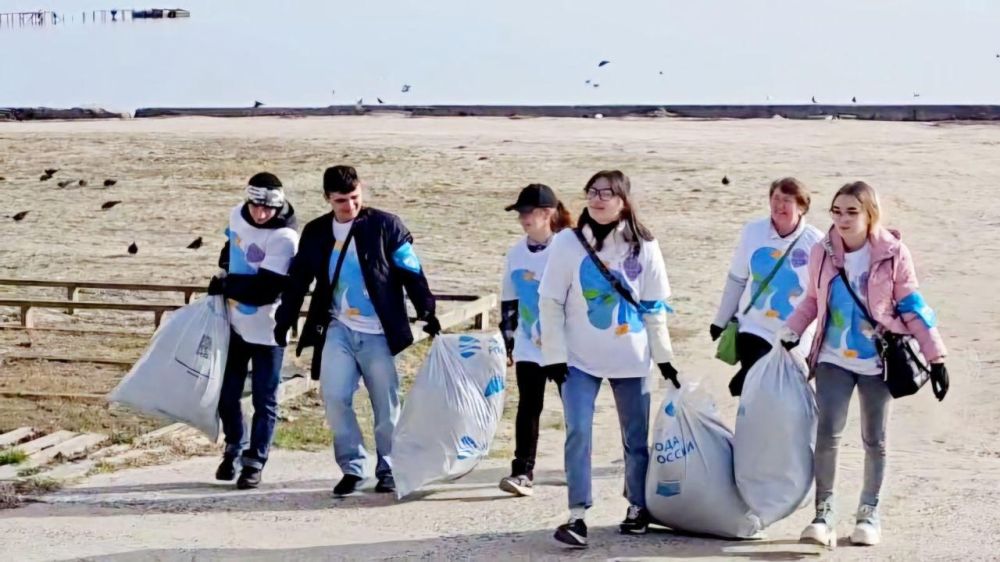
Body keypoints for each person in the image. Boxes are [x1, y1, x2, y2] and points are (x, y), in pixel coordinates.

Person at [781, 181, 949, 547]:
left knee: (875, 439)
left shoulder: (893, 252)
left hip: (878, 361)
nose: (842, 219)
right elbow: (812, 299)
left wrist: (935, 357)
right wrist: (790, 331)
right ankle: (823, 515)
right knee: (827, 434)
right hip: (832, 357)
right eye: (836, 211)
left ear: (870, 213)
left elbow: (912, 305)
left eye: (851, 212)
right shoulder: (821, 252)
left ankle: (868, 515)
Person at [274, 165, 440, 496]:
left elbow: (411, 269)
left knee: (386, 405)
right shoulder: (317, 232)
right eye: (340, 201)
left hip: (378, 332)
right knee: (334, 398)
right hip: (337, 328)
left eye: (354, 198)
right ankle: (352, 467)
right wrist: (284, 319)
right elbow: (298, 280)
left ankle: (389, 466)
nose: (349, 206)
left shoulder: (385, 225)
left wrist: (426, 308)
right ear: (327, 199)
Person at [538, 170, 679, 548]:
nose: (598, 199)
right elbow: (550, 300)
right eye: (592, 192)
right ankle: (577, 514)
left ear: (623, 200)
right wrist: (553, 355)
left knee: (635, 438)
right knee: (578, 432)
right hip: (578, 359)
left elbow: (654, 307)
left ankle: (637, 507)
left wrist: (664, 358)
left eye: (607, 193)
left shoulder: (645, 245)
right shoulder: (568, 242)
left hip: (632, 358)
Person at [208, 172, 299, 489]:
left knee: (265, 398)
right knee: (226, 393)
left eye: (268, 209)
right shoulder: (237, 214)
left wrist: (226, 285)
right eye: (255, 206)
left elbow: (266, 290)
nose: (261, 214)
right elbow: (231, 245)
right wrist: (222, 270)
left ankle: (255, 461)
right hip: (233, 324)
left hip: (269, 328)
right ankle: (234, 446)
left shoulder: (285, 238)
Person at [710, 177, 823, 395]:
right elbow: (737, 278)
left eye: (787, 200)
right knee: (759, 383)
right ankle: (748, 382)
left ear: (801, 206)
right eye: (775, 198)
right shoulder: (753, 231)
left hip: (796, 333)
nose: (779, 205)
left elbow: (822, 294)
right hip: (755, 326)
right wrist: (720, 320)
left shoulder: (816, 242)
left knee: (791, 392)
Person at [497, 183, 573, 497]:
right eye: (520, 213)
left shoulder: (567, 248)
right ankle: (522, 471)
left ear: (547, 213)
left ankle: (576, 466)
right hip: (530, 344)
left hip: (567, 345)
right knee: (529, 406)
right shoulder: (516, 253)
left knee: (574, 407)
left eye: (528, 212)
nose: (523, 218)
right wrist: (509, 340)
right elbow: (509, 298)